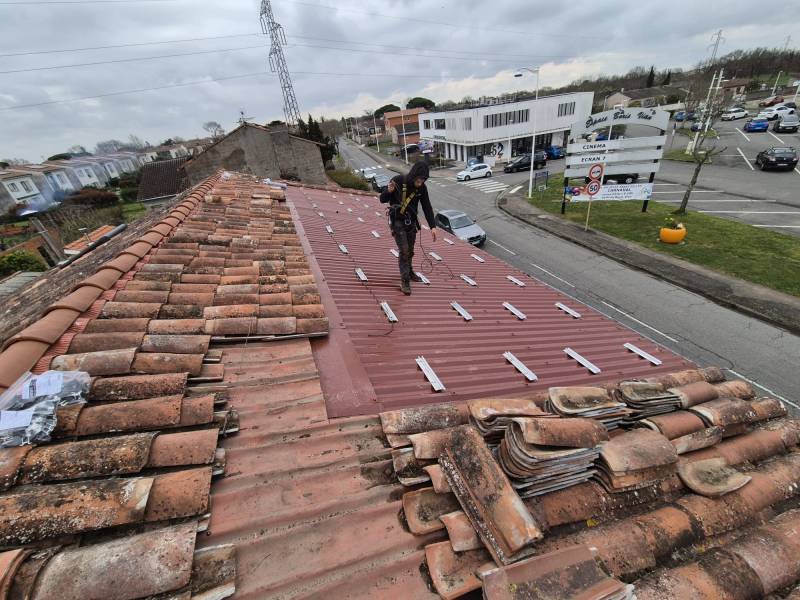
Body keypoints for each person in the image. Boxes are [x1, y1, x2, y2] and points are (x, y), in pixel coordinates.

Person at [379, 161, 437, 295]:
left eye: (424, 179)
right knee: (404, 250)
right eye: (419, 178)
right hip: (397, 221)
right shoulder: (398, 181)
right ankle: (405, 281)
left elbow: (427, 207)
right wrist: (388, 191)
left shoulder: (422, 188)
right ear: (414, 175)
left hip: (410, 222)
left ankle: (409, 271)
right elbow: (382, 199)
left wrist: (433, 226)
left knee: (410, 250)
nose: (421, 181)